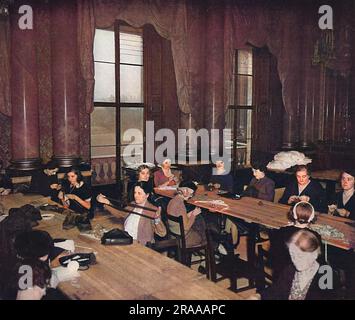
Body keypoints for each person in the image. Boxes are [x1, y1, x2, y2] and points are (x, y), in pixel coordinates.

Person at [252, 229, 334, 300]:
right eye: (292, 254)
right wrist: (258, 296)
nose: (295, 260)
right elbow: (277, 291)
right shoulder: (290, 268)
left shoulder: (325, 274)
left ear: (314, 254)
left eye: (300, 255)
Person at [97, 181, 166, 246]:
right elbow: (120, 214)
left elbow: (162, 233)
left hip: (141, 245)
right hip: (127, 239)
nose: (136, 195)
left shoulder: (152, 209)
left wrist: (157, 219)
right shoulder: (133, 204)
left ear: (147, 195)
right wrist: (106, 202)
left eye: (139, 193)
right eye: (135, 192)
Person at [269, 201, 317, 278]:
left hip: (282, 274)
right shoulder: (315, 235)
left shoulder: (281, 231)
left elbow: (273, 254)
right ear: (311, 217)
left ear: (294, 215)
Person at [167, 180, 206, 250]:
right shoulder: (180, 204)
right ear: (184, 191)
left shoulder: (174, 200)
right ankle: (209, 248)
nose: (190, 196)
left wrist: (189, 214)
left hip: (174, 235)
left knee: (198, 221)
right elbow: (186, 227)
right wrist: (193, 215)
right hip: (183, 239)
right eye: (191, 194)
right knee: (203, 230)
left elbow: (179, 217)